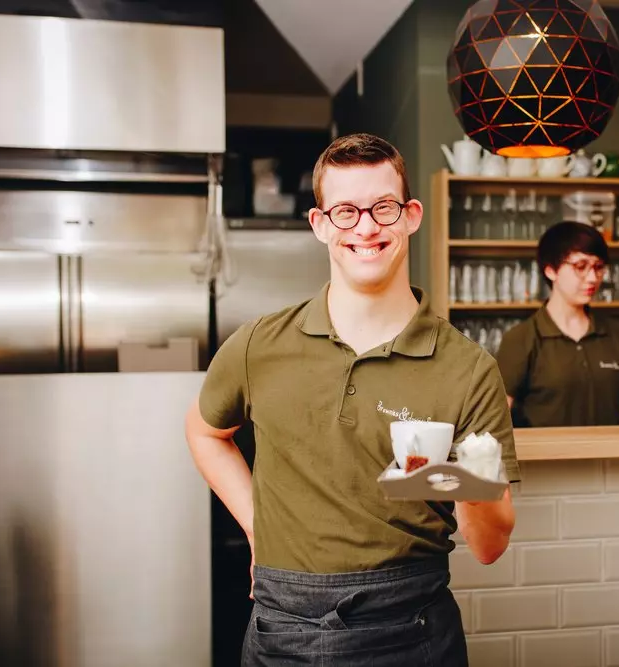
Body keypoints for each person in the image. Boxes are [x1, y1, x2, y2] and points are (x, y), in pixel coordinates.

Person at [184, 133, 519, 667]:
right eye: (346, 211)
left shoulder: (469, 368)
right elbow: (205, 432)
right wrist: (255, 523)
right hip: (280, 630)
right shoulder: (258, 344)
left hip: (411, 632)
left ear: (410, 216)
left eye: (383, 207)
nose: (366, 227)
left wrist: (467, 486)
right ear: (319, 225)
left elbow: (489, 546)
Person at [496, 221, 619, 427]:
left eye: (598, 267)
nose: (592, 278)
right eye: (580, 267)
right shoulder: (521, 338)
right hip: (545, 458)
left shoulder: (618, 334)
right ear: (551, 270)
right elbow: (495, 422)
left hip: (610, 457)